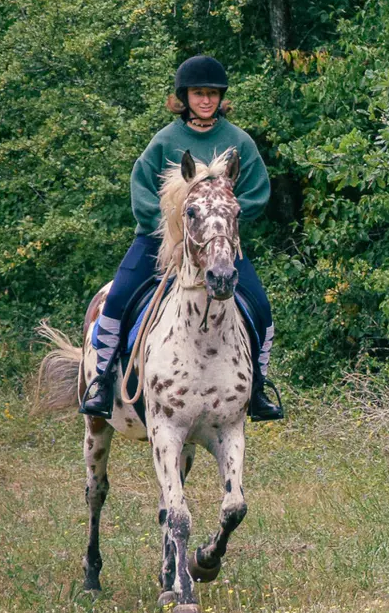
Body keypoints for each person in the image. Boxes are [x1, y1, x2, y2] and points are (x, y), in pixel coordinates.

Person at [78, 55, 283, 421]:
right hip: (158, 239)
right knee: (117, 299)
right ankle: (103, 380)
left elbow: (257, 193)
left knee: (262, 310)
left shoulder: (239, 142)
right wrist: (169, 225)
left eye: (212, 94)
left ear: (221, 98)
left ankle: (258, 387)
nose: (206, 100)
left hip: (218, 243)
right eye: (198, 93)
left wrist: (226, 217)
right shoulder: (165, 140)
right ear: (183, 97)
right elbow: (141, 188)